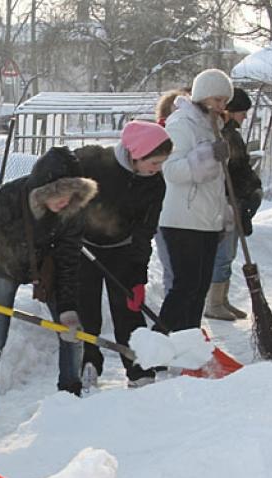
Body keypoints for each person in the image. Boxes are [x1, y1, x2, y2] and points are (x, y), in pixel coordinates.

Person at [0, 146, 97, 433]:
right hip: (5, 266)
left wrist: (67, 310)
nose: (65, 202)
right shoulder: (6, 200)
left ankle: (70, 395)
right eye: (60, 195)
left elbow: (68, 260)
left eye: (71, 196)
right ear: (43, 189)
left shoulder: (72, 211)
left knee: (72, 333)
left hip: (47, 268)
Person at [74, 120, 170, 390]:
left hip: (123, 251)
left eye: (161, 164)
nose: (158, 169)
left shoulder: (155, 185)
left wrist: (138, 276)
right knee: (87, 309)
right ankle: (89, 362)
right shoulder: (95, 164)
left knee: (128, 310)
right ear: (136, 153)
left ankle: (137, 365)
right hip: (84, 247)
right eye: (154, 162)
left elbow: (144, 231)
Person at [157, 68, 234, 332]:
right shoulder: (180, 123)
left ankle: (188, 343)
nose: (222, 106)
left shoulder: (213, 128)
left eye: (224, 101)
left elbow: (216, 182)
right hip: (182, 220)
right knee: (184, 288)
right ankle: (157, 346)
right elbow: (171, 170)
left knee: (199, 289)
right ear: (202, 96)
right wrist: (209, 155)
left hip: (207, 221)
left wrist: (223, 215)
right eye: (217, 100)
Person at [205, 87, 263, 321]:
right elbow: (230, 170)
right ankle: (214, 303)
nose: (245, 117)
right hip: (226, 202)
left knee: (229, 254)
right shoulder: (221, 134)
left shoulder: (232, 133)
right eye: (242, 112)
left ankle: (223, 300)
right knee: (223, 253)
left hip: (237, 199)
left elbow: (242, 167)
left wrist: (253, 189)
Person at [153, 88, 190, 298]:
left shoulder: (188, 135)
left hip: (181, 213)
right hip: (166, 214)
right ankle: (174, 321)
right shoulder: (161, 140)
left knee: (180, 271)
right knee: (175, 271)